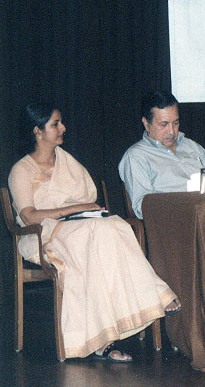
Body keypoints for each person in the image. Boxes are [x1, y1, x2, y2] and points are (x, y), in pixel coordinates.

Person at [8, 103, 181, 362]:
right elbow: (29, 216)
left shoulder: (67, 162)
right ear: (38, 131)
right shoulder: (21, 170)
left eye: (61, 122)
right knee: (96, 234)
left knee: (115, 225)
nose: (63, 128)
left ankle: (105, 340)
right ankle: (155, 293)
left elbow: (89, 201)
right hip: (43, 235)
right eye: (55, 124)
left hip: (81, 228)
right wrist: (77, 209)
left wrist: (83, 211)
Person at [119, 91, 205, 218]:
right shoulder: (137, 156)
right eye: (164, 124)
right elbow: (142, 207)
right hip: (173, 221)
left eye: (176, 123)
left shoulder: (193, 147)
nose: (171, 131)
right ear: (146, 124)